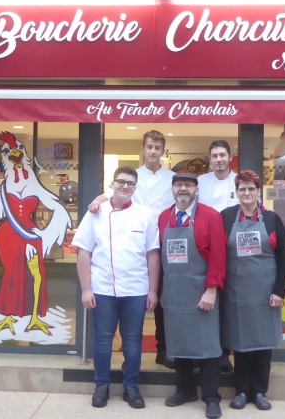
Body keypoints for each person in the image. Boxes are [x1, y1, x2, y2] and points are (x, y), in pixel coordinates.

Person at [73, 166, 161, 409]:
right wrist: (86, 289)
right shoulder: (96, 212)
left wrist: (152, 290)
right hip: (102, 288)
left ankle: (131, 386)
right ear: (112, 184)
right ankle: (101, 385)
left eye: (130, 183)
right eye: (121, 182)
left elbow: (153, 254)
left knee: (133, 341)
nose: (125, 186)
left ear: (135, 188)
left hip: (135, 289)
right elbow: (83, 251)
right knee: (102, 340)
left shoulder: (145, 215)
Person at [88, 130, 176, 369]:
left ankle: (164, 348)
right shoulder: (132, 177)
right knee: (139, 299)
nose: (153, 152)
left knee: (161, 294)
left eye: (157, 148)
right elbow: (106, 196)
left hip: (165, 239)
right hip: (133, 238)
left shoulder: (172, 177)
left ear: (163, 151)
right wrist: (95, 203)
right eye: (149, 147)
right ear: (143, 149)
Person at [220, 170, 285, 411]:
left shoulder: (272, 219)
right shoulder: (227, 217)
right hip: (236, 293)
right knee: (239, 345)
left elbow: (284, 258)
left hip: (265, 293)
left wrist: (279, 290)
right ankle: (240, 391)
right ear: (236, 192)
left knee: (262, 344)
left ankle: (259, 391)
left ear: (258, 191)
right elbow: (218, 254)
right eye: (242, 189)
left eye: (251, 189)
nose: (247, 193)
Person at [159, 173, 227, 419]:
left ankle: (211, 397)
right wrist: (159, 292)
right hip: (174, 292)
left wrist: (211, 289)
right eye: (178, 185)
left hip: (202, 292)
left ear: (196, 190)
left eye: (188, 185)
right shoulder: (164, 217)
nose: (183, 189)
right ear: (172, 189)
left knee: (208, 346)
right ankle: (185, 390)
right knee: (179, 343)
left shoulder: (210, 216)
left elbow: (219, 255)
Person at [197, 139, 239, 372]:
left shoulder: (241, 182)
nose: (219, 159)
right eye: (214, 156)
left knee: (228, 304)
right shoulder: (200, 182)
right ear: (209, 159)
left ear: (230, 157)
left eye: (223, 155)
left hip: (234, 249)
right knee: (207, 303)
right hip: (206, 251)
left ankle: (224, 353)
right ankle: (202, 352)